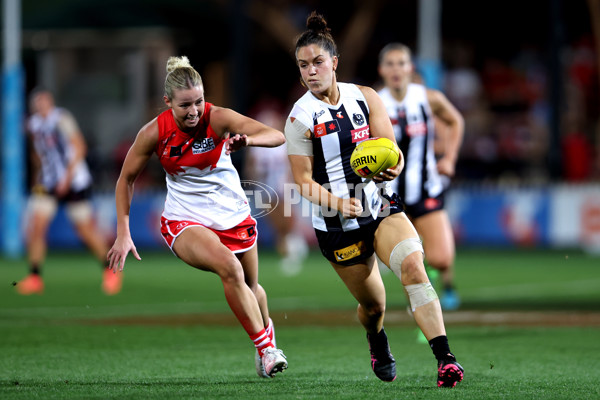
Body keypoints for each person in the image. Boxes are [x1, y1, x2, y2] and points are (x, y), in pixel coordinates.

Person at [285, 12, 463, 387]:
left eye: (317, 62)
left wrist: (393, 167)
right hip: (336, 225)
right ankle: (376, 339)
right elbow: (301, 181)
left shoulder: (364, 97)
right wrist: (336, 202)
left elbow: (390, 150)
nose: (310, 71)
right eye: (303, 65)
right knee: (373, 306)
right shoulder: (299, 118)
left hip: (379, 205)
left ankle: (445, 358)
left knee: (414, 268)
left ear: (334, 62)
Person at [106, 56, 288, 378]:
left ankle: (267, 344)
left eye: (199, 102)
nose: (194, 111)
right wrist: (123, 231)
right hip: (184, 220)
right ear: (168, 103)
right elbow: (126, 179)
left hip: (233, 216)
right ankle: (266, 349)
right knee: (229, 268)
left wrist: (249, 140)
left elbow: (276, 136)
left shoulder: (218, 118)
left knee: (252, 287)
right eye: (185, 105)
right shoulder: (154, 132)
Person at [377, 43, 465, 310]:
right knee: (407, 258)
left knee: (440, 258)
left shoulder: (428, 97)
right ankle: (421, 306)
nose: (396, 69)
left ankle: (437, 277)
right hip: (391, 195)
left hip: (425, 189)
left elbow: (455, 121)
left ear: (410, 68)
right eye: (390, 64)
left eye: (401, 63)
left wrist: (449, 158)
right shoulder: (374, 102)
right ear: (382, 70)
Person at [16, 88, 121, 296]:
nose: (41, 106)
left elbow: (80, 147)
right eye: (38, 103)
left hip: (73, 181)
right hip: (48, 182)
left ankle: (110, 270)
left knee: (85, 231)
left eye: (44, 101)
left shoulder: (61, 119)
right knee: (36, 227)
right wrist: (38, 176)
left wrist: (67, 177)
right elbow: (38, 154)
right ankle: (35, 276)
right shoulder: (34, 124)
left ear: (50, 102)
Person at [244, 100, 308, 276]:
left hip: (281, 185)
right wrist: (254, 182)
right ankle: (289, 247)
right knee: (275, 221)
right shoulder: (257, 144)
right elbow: (252, 166)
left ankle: (292, 249)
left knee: (285, 219)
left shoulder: (283, 141)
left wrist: (290, 181)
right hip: (265, 186)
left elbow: (290, 164)